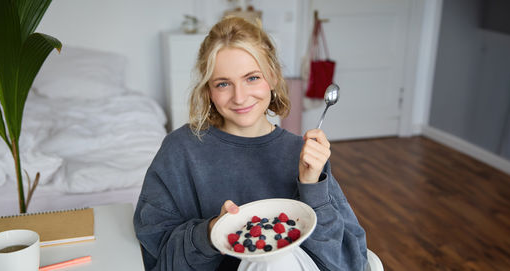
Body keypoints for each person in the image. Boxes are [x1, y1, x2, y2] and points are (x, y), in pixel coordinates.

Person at [133, 16, 368, 271]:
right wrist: (211, 232)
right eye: (223, 84)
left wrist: (312, 188)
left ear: (274, 77)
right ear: (208, 91)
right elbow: (156, 258)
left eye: (252, 78)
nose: (240, 97)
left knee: (276, 260)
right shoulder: (180, 150)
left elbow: (349, 263)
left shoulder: (300, 154)